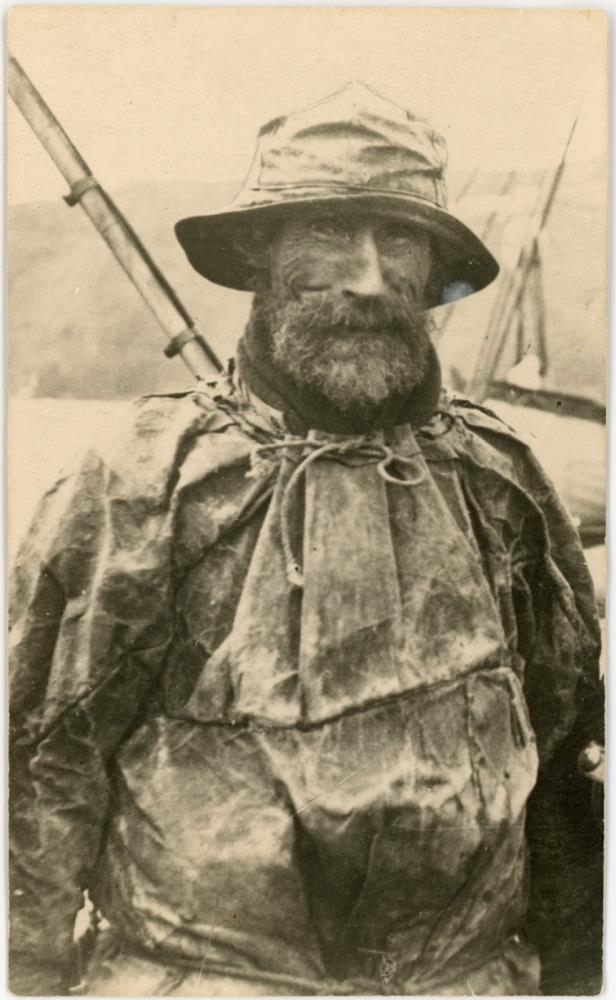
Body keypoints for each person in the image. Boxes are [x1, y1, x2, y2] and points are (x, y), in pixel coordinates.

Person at [9, 81, 603, 997]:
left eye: (398, 238)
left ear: (431, 270)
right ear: (262, 254)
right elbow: (39, 768)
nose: (368, 276)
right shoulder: (141, 480)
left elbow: (566, 763)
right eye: (328, 231)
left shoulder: (500, 477)